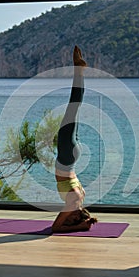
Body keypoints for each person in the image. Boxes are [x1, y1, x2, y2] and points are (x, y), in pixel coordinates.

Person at [52, 45, 98, 233]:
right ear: (76, 216)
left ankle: (79, 71)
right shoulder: (73, 202)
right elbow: (55, 228)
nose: (66, 216)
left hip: (71, 157)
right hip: (66, 156)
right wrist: (79, 226)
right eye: (70, 219)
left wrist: (81, 222)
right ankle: (79, 70)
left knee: (75, 108)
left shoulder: (81, 197)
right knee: (73, 105)